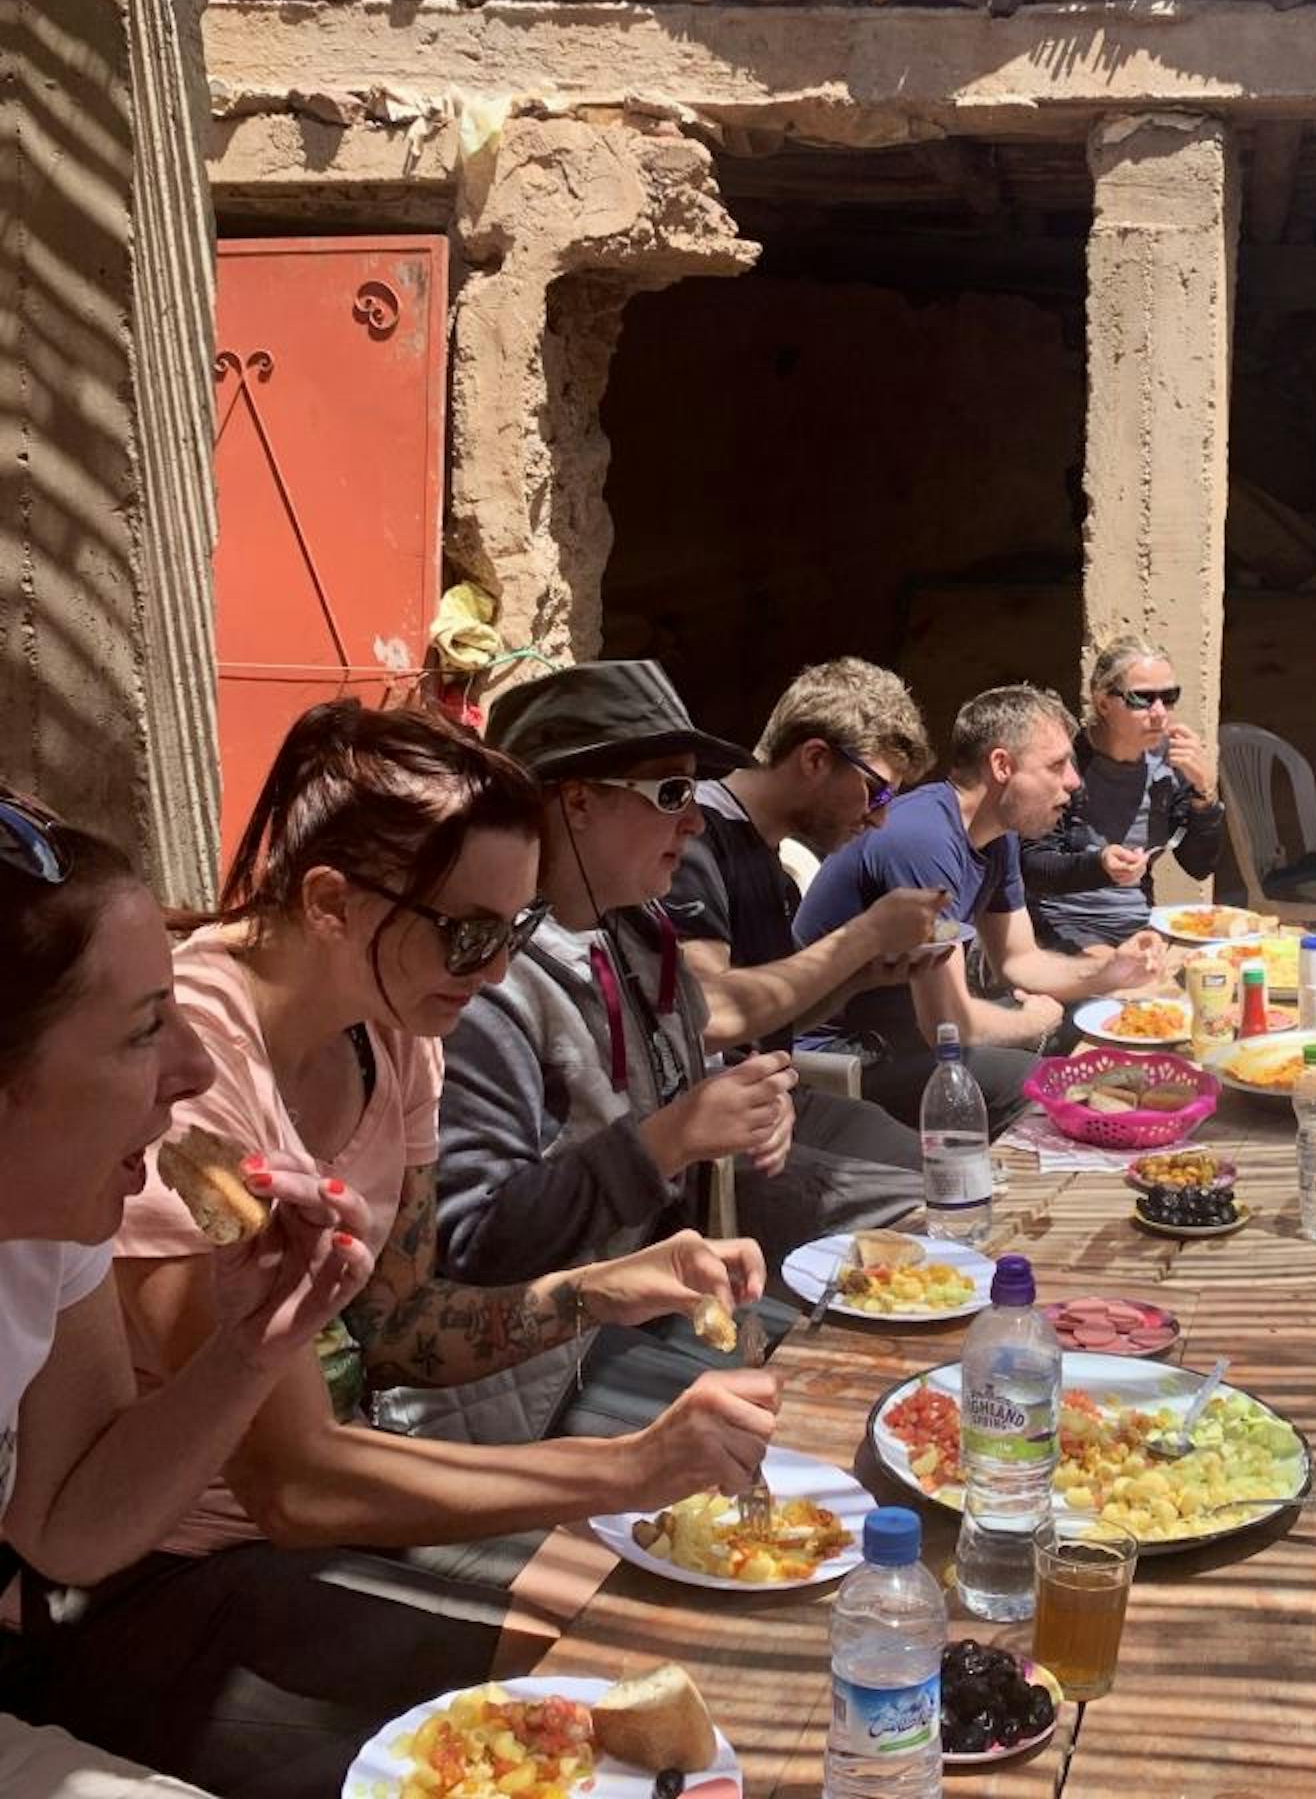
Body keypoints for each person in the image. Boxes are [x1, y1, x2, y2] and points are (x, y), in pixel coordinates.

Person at [31, 706, 779, 1796]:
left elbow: (397, 1330)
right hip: (154, 1587)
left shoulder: (393, 1029)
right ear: (331, 901)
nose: (492, 969)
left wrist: (599, 1289)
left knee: (657, 1635)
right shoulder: (182, 1077)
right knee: (588, 1706)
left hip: (298, 1541)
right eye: (470, 931)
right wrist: (626, 1467)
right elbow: (293, 1480)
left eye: (518, 932)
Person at [0, 790, 374, 1795]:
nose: (194, 1067)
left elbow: (68, 1525)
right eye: (142, 1030)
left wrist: (246, 1350)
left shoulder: (47, 1225)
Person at [432, 661, 927, 1365]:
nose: (694, 818)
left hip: (662, 1299)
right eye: (670, 791)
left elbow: (667, 1092)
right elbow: (477, 1242)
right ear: (575, 802)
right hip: (544, 1365)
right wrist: (669, 1138)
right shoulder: (486, 985)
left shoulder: (635, 934)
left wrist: (742, 1106)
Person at [794, 684, 1165, 1127]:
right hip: (847, 1055)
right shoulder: (924, 840)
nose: (1074, 781)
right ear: (1002, 766)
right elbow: (949, 1023)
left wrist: (1110, 973)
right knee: (1065, 1089)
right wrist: (1032, 1022)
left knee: (1096, 1045)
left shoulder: (998, 833)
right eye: (1056, 765)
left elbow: (1019, 960)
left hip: (911, 1036)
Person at [665, 655, 947, 1115]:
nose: (878, 818)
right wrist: (865, 935)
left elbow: (768, 1023)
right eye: (876, 793)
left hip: (777, 1103)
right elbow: (709, 1015)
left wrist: (858, 977)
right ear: (815, 758)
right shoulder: (695, 840)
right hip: (723, 1130)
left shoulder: (772, 859)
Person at [1021, 636, 1226, 951]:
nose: (1159, 712)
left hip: (1139, 922)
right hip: (1064, 921)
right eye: (1142, 699)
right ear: (1103, 703)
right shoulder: (1066, 762)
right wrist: (1099, 865)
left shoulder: (1171, 763)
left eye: (1169, 697)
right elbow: (1034, 865)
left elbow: (1199, 865)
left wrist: (1205, 793)